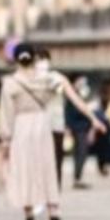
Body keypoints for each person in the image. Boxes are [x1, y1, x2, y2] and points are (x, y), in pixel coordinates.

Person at [0, 43, 105, 220]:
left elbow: (6, 114)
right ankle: (54, 213)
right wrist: (94, 119)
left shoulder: (10, 82)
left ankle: (29, 214)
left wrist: (5, 140)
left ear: (15, 60)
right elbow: (76, 99)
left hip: (21, 127)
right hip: (43, 125)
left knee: (24, 169)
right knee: (48, 168)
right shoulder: (50, 79)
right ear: (35, 58)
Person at [36, 48, 67, 188]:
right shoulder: (30, 80)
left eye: (44, 59)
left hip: (56, 124)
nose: (42, 63)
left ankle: (55, 188)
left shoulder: (56, 77)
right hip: (38, 124)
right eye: (38, 60)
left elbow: (60, 89)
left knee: (56, 157)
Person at [64, 76, 98, 188]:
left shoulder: (85, 96)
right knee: (79, 153)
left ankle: (78, 178)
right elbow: (69, 114)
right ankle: (77, 178)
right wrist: (68, 128)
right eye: (80, 81)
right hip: (77, 129)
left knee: (82, 154)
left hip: (84, 128)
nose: (83, 84)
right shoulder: (72, 97)